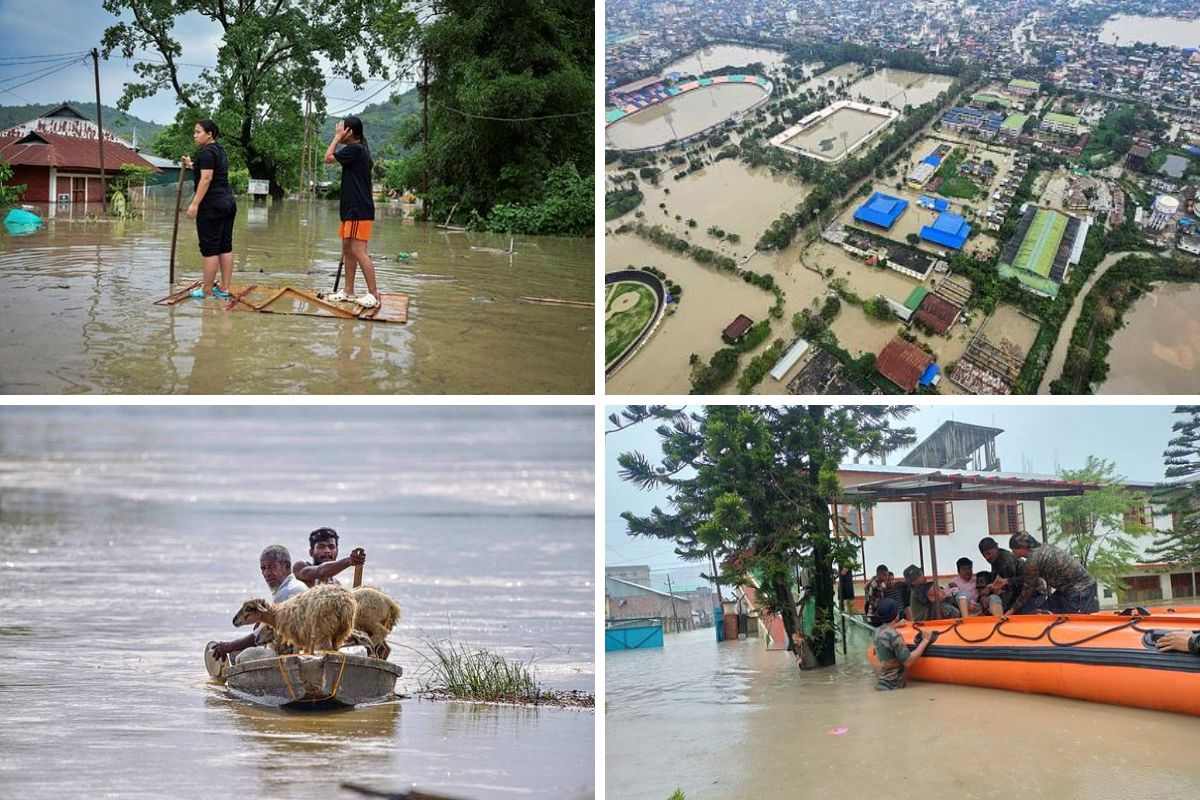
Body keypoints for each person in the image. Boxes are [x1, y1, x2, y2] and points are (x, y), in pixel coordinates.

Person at [209, 545, 304, 665]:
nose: (266, 573)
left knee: (238, 656)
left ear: (287, 566)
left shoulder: (286, 592)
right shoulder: (292, 586)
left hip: (293, 652)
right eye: (263, 568)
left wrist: (230, 646)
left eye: (271, 567)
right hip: (295, 646)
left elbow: (258, 636)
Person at [324, 116, 379, 309]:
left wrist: (337, 138)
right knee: (347, 250)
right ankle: (348, 290)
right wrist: (340, 135)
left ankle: (373, 294)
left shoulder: (355, 150)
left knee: (358, 251)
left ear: (350, 132)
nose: (339, 131)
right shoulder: (355, 151)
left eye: (342, 129)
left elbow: (328, 158)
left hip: (358, 210)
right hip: (349, 210)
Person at [182, 119, 236, 300]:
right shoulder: (219, 150)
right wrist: (191, 165)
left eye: (198, 132)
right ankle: (224, 289)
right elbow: (209, 171)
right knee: (225, 246)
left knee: (210, 249)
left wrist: (195, 203)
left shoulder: (206, 152)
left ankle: (206, 291)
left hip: (212, 205)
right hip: (228, 202)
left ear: (209, 134)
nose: (195, 135)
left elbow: (206, 178)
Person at [1007, 532, 1099, 615]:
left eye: (1013, 550)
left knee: (1073, 621)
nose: (1013, 552)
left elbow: (1027, 589)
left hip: (1080, 589)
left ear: (1021, 548)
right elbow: (1029, 578)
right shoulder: (1044, 547)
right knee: (1043, 612)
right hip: (1067, 589)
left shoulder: (1033, 561)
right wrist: (1007, 581)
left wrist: (1011, 610)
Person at [871, 598, 936, 690]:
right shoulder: (895, 636)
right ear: (896, 615)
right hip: (893, 687)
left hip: (882, 685)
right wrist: (925, 641)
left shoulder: (877, 631)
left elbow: (886, 633)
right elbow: (908, 661)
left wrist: (896, 625)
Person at [978, 536, 1045, 615]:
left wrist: (1005, 610)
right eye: (984, 555)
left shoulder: (1006, 560)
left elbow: (1010, 589)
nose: (987, 557)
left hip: (1034, 592)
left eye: (988, 553)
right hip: (1021, 593)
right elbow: (999, 584)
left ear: (996, 548)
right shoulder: (995, 560)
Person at [293, 526, 366, 587]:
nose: (327, 551)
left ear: (337, 552)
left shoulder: (337, 585)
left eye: (331, 547)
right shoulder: (300, 567)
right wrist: (349, 561)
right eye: (321, 547)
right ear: (311, 552)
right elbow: (320, 572)